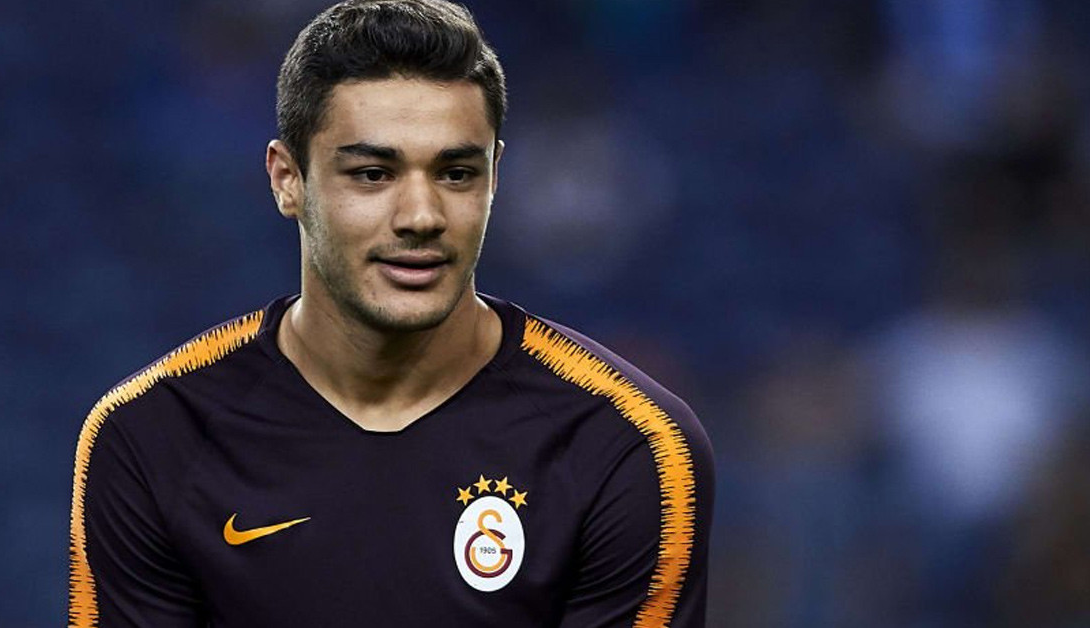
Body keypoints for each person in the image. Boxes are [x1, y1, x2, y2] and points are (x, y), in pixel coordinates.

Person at [67, 1, 713, 626]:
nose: (421, 216)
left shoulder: (627, 446)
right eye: (374, 174)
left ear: (495, 177)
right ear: (287, 179)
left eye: (456, 174)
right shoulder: (153, 438)